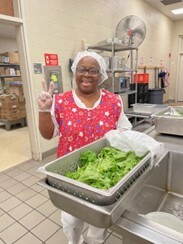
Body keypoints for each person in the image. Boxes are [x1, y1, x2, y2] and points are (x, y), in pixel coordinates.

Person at [37, 50, 132, 244]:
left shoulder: (114, 101)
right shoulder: (61, 101)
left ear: (101, 75)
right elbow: (48, 134)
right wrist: (45, 109)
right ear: (74, 72)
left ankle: (95, 241)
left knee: (98, 220)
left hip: (104, 174)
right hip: (70, 175)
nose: (87, 74)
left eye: (93, 70)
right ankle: (75, 241)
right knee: (71, 220)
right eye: (82, 69)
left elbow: (125, 130)